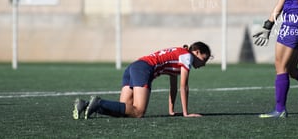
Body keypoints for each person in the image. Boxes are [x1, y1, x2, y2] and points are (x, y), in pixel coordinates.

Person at [72, 41, 212, 119]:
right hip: (143, 69)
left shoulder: (178, 55)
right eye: (204, 59)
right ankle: (99, 102)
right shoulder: (187, 56)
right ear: (197, 52)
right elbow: (184, 86)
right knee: (138, 112)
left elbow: (174, 87)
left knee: (125, 111)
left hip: (134, 67)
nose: (203, 64)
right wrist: (186, 113)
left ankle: (86, 105)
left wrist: (171, 110)